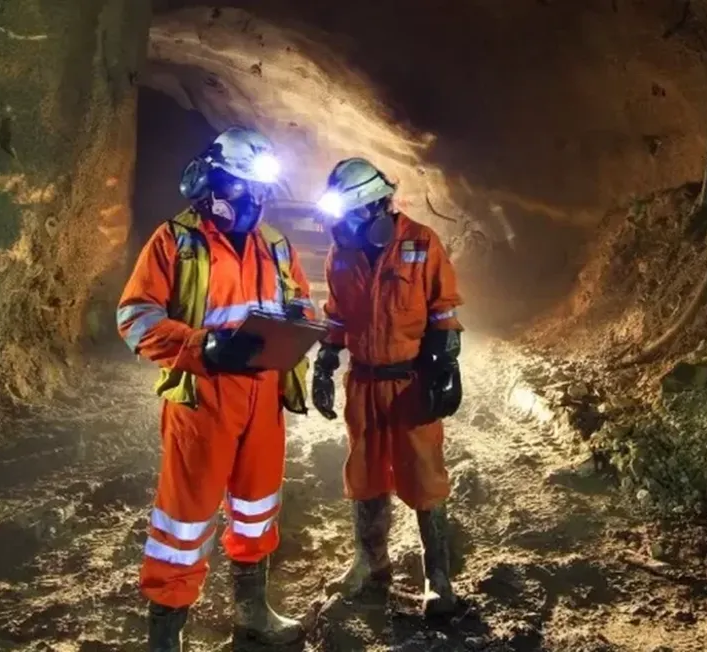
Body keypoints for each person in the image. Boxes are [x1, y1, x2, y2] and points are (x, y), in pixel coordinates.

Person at [117, 127, 315, 651]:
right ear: (214, 183)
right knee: (185, 520)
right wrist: (201, 347)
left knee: (256, 506)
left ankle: (252, 612)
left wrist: (300, 325)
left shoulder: (275, 245)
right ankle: (166, 636)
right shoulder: (176, 240)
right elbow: (135, 318)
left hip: (264, 395)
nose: (254, 200)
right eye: (245, 188)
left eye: (261, 190)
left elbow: (304, 303)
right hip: (203, 396)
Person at [312, 158, 464, 616]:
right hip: (364, 381)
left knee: (423, 476)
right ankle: (370, 563)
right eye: (344, 217)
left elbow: (444, 309)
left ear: (379, 205)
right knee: (364, 472)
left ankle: (438, 577)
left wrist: (445, 364)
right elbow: (337, 316)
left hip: (409, 381)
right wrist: (324, 361)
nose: (348, 224)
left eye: (355, 214)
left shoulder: (421, 242)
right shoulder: (342, 251)